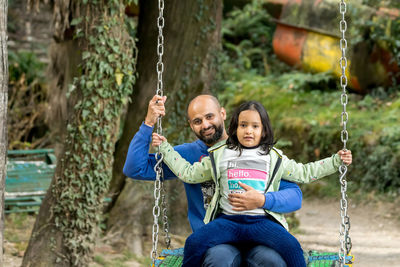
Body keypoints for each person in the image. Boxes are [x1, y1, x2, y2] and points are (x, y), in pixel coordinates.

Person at [152, 100, 352, 267]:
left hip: (260, 223)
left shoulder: (273, 157)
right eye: (243, 125)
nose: (249, 131)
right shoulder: (220, 154)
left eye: (255, 126)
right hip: (229, 221)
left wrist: (336, 162)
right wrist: (165, 148)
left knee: (292, 247)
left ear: (264, 130)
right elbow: (188, 173)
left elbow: (305, 173)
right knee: (193, 242)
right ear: (234, 127)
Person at [123, 95, 303, 267]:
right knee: (219, 261)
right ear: (191, 126)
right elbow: (135, 168)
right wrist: (149, 123)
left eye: (210, 116)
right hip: (217, 240)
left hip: (260, 235)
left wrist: (264, 200)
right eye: (197, 121)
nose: (206, 125)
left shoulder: (260, 153)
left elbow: (294, 196)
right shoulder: (185, 155)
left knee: (272, 262)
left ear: (222, 114)